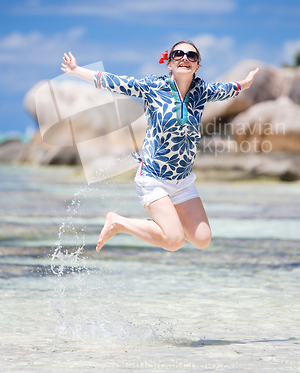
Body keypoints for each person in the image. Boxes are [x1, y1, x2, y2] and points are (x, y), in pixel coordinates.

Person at [61, 42, 259, 253]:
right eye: (178, 54)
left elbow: (225, 90)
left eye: (191, 55)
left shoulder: (201, 91)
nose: (184, 58)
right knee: (174, 241)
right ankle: (118, 222)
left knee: (202, 239)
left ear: (197, 66)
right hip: (154, 177)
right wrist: (77, 71)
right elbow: (118, 82)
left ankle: (165, 224)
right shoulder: (154, 87)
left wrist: (244, 84)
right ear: (169, 63)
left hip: (182, 181)